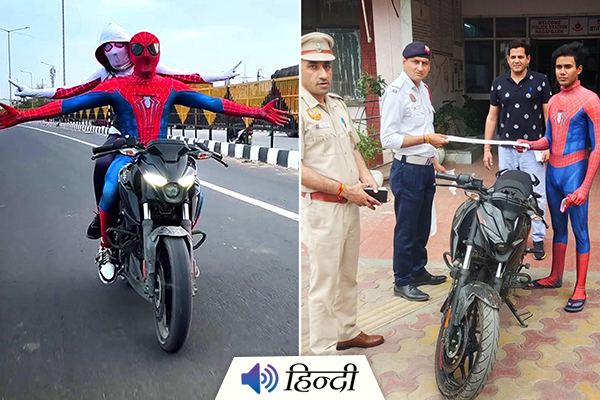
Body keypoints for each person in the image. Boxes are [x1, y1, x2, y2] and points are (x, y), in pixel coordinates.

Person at [0, 31, 288, 285]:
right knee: (111, 189)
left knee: (197, 192)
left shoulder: (169, 86)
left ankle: (185, 248)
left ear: (160, 52)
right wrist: (24, 115)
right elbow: (68, 103)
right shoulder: (115, 87)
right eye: (139, 49)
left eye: (152, 49)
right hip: (130, 154)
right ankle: (106, 248)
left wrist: (257, 113)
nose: (147, 55)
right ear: (131, 54)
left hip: (163, 156)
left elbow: (214, 103)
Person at [10, 22, 240, 241]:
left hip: (155, 140)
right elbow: (70, 92)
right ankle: (101, 213)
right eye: (107, 47)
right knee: (103, 165)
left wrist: (222, 76)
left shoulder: (148, 67)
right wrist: (32, 93)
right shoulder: (104, 75)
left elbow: (187, 76)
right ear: (102, 52)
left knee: (188, 181)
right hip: (120, 134)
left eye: (119, 44)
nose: (114, 51)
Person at [300, 32, 384, 354]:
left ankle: (347, 331)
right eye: (313, 66)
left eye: (327, 66)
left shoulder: (336, 105)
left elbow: (351, 147)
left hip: (350, 205)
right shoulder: (301, 109)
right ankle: (321, 352)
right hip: (323, 209)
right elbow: (302, 170)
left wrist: (364, 176)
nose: (322, 74)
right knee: (323, 285)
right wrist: (343, 189)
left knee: (348, 277)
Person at [516, 42, 600, 312]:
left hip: (575, 173)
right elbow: (548, 140)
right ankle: (555, 276)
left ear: (579, 69)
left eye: (567, 67)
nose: (562, 71)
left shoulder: (590, 99)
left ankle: (580, 288)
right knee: (559, 229)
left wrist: (585, 187)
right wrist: (528, 144)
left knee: (581, 231)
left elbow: (597, 147)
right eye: (558, 67)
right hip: (553, 174)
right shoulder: (552, 100)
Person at [380, 41, 448, 302]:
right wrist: (427, 140)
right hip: (406, 169)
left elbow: (423, 127)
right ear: (404, 62)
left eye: (425, 63)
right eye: (415, 62)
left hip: (424, 169)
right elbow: (389, 138)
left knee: (421, 226)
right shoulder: (396, 92)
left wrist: (433, 160)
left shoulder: (423, 90)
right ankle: (403, 280)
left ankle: (418, 271)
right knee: (407, 229)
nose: (420, 67)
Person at [482, 40, 552, 260]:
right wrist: (486, 148)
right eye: (513, 57)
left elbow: (549, 115)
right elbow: (492, 116)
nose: (516, 60)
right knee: (506, 192)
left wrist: (549, 143)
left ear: (528, 59)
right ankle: (508, 235)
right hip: (506, 147)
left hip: (533, 147)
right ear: (507, 59)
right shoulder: (499, 83)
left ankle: (538, 238)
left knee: (536, 192)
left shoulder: (540, 81)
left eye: (521, 56)